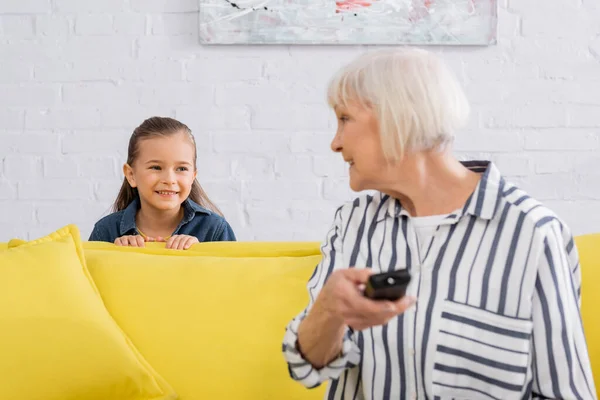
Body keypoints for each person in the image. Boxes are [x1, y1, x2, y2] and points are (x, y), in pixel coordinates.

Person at [282, 48, 597, 399]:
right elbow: (306, 366)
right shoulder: (353, 223)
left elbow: (566, 392)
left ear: (396, 118)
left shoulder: (532, 233)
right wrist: (328, 309)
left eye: (344, 119)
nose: (335, 143)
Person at [89, 116, 236, 249]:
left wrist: (200, 254)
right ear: (131, 175)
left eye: (181, 168)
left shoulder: (215, 231)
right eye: (156, 167)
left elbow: (233, 278)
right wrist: (115, 258)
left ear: (193, 176)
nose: (169, 180)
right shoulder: (105, 232)